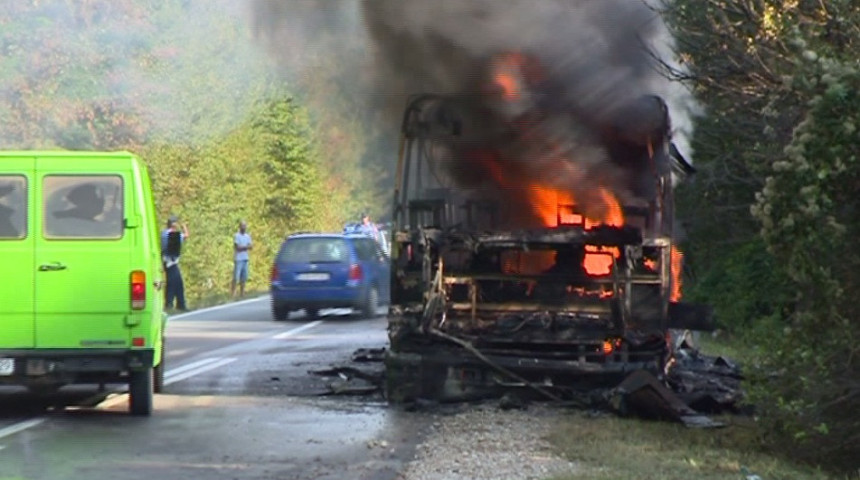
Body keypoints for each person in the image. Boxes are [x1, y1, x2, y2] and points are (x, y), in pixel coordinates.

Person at [161, 215, 190, 311]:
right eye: (176, 223)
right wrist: (184, 227)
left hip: (166, 262)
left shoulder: (163, 233)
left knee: (176, 282)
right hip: (171, 262)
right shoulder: (171, 235)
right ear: (173, 224)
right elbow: (186, 235)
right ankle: (172, 304)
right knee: (174, 283)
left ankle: (178, 304)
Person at [231, 220, 252, 297]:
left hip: (245, 258)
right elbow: (237, 247)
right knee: (236, 277)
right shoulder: (237, 236)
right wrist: (245, 247)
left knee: (244, 277)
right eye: (242, 226)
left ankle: (242, 293)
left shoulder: (247, 236)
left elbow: (251, 246)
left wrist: (244, 247)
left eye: (245, 226)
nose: (244, 227)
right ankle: (233, 293)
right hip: (238, 259)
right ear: (239, 227)